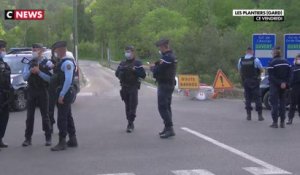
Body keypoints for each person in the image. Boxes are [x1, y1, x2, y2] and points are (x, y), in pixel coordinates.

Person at [22, 43, 52, 146]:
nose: (34, 51)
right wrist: (31, 71)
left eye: (36, 49)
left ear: (41, 51)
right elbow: (25, 77)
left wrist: (39, 72)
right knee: (29, 117)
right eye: (33, 49)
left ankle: (48, 137)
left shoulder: (46, 63)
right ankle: (27, 139)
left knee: (45, 116)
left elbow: (50, 79)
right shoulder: (28, 62)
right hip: (31, 91)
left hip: (43, 91)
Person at [50, 41, 78, 151]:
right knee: (68, 116)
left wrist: (61, 95)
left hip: (65, 93)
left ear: (61, 50)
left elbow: (67, 80)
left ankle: (62, 142)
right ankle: (72, 139)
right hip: (64, 93)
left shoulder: (67, 63)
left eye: (56, 51)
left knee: (62, 118)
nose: (55, 53)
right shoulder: (61, 62)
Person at [115, 46, 146, 133]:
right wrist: (121, 71)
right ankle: (129, 122)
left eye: (129, 52)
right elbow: (116, 74)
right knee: (127, 106)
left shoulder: (137, 63)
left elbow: (143, 75)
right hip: (124, 86)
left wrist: (134, 70)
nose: (127, 53)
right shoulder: (122, 63)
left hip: (133, 87)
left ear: (133, 52)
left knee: (133, 105)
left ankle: (131, 122)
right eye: (126, 52)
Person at [151, 38, 177, 139]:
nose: (159, 49)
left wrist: (153, 67)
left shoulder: (168, 57)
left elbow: (158, 70)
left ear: (164, 46)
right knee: (167, 106)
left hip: (165, 84)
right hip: (166, 84)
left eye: (160, 47)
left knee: (162, 106)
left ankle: (169, 128)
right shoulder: (167, 57)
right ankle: (167, 127)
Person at [238, 47, 264, 121]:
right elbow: (261, 69)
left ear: (246, 52)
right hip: (254, 81)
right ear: (252, 52)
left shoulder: (241, 60)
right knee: (257, 98)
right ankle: (260, 116)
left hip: (245, 81)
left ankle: (248, 115)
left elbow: (240, 70)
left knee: (248, 98)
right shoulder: (255, 59)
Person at [268, 46, 291, 128]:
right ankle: (282, 122)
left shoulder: (272, 63)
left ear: (274, 53)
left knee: (274, 104)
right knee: (282, 104)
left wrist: (280, 83)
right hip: (284, 86)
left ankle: (275, 123)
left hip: (275, 86)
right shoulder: (287, 62)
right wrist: (285, 83)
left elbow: (271, 77)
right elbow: (289, 75)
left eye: (272, 52)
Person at [0, 39, 11, 149]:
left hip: (5, 96)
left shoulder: (5, 64)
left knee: (4, 118)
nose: (4, 51)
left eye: (4, 49)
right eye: (2, 49)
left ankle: (0, 139)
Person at [287, 54, 300, 125]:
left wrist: (289, 86)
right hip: (295, 87)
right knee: (294, 104)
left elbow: (291, 79)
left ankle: (290, 119)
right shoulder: (293, 67)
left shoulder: (294, 68)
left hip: (295, 88)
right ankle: (290, 119)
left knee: (293, 104)